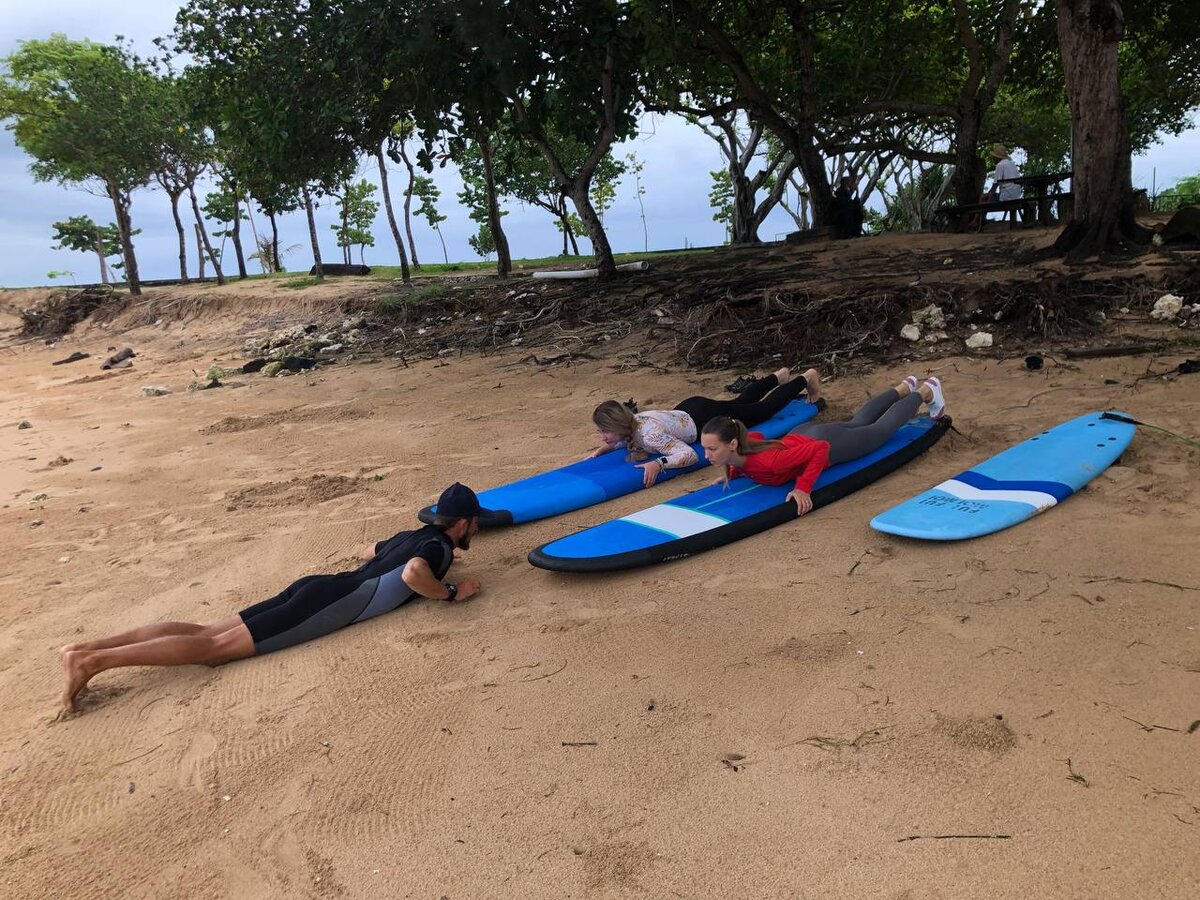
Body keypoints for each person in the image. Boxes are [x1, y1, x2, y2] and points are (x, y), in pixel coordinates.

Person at [58, 483, 485, 713]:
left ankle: (84, 648)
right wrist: (450, 592)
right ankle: (94, 662)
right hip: (331, 604)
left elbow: (375, 551)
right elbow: (413, 574)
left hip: (318, 585)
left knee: (208, 632)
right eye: (475, 526)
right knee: (213, 650)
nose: (476, 532)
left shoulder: (415, 535)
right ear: (463, 524)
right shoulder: (438, 550)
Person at [700, 376, 946, 516]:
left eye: (712, 449)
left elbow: (819, 450)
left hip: (826, 443)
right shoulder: (741, 447)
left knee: (879, 431)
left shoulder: (769, 462)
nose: (707, 454)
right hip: (803, 433)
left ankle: (925, 391)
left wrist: (803, 488)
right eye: (706, 448)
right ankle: (904, 387)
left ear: (732, 444)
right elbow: (755, 438)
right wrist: (733, 470)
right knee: (858, 422)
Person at [591, 367, 822, 488]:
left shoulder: (651, 437)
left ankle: (805, 378)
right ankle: (777, 377)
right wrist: (608, 447)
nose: (602, 437)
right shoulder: (633, 422)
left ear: (619, 425)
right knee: (739, 404)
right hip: (690, 407)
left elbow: (688, 454)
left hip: (702, 418)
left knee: (763, 410)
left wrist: (658, 463)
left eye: (604, 432)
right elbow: (628, 437)